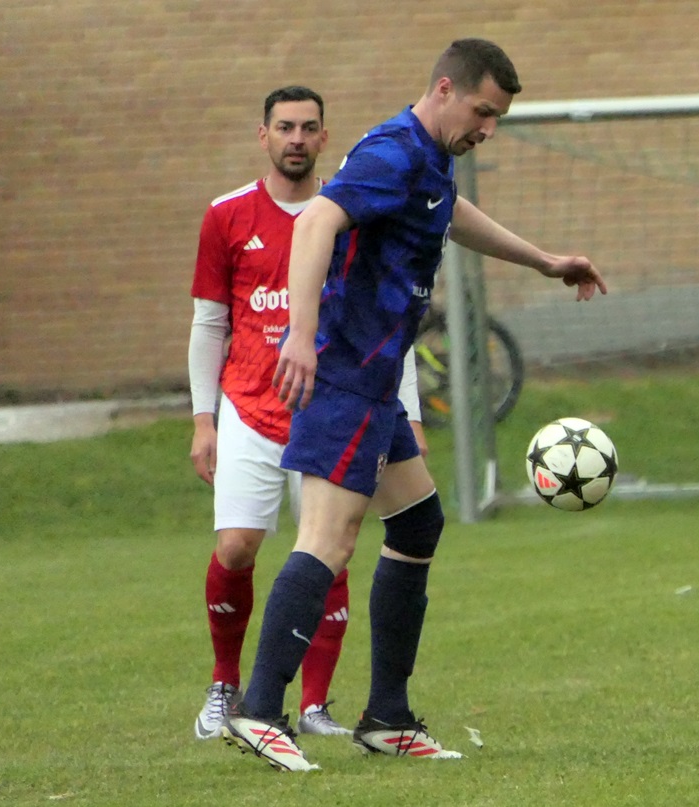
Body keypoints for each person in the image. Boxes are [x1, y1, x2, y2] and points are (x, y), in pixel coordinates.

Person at [221, 39, 606, 772]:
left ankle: (388, 717)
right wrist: (299, 333)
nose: (488, 128)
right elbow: (315, 221)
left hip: (376, 380)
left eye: (496, 118)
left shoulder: (429, 158)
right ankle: (259, 709)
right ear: (445, 89)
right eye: (483, 111)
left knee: (418, 520)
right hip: (343, 375)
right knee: (327, 541)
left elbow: (447, 211)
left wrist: (544, 260)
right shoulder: (393, 152)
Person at [187, 86, 428, 742]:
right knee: (237, 545)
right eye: (285, 127)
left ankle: (316, 705)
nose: (296, 138)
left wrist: (407, 413)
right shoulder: (227, 215)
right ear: (263, 135)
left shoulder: (356, 208)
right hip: (249, 405)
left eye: (308, 127)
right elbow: (209, 323)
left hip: (330, 404)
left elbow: (386, 321)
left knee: (330, 547)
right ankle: (226, 686)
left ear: (325, 138)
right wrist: (204, 419)